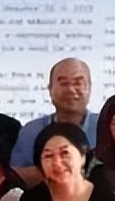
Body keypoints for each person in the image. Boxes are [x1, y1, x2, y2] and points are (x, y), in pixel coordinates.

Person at [11, 58, 100, 187]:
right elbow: (16, 175)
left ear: (90, 87)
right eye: (63, 83)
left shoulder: (105, 125)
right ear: (50, 89)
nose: (71, 89)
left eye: (78, 83)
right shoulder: (31, 131)